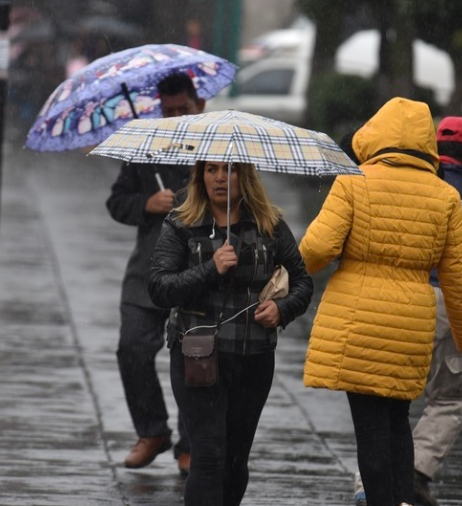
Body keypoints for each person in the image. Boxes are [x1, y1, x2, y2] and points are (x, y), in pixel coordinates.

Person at [300, 98, 462, 506]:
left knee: (369, 427)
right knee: (398, 418)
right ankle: (402, 498)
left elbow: (318, 247)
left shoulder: (353, 180)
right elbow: (458, 276)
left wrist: (289, 277)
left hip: (357, 319)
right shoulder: (445, 196)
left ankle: (381, 499)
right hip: (412, 323)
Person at [352, 116, 462, 506]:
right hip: (454, 303)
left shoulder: (414, 183)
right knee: (449, 397)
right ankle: (416, 471)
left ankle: (367, 485)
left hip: (403, 298)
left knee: (387, 396)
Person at [148, 160, 313, 506]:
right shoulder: (182, 224)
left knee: (236, 460)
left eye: (230, 170)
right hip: (198, 356)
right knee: (208, 456)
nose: (220, 178)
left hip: (252, 358)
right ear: (200, 177)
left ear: (245, 176)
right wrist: (212, 268)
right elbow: (160, 288)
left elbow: (302, 283)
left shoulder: (270, 225)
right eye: (211, 170)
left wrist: (282, 310)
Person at [105, 72, 205, 475]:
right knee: (132, 347)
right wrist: (147, 203)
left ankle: (191, 443)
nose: (177, 116)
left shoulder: (215, 146)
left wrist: (187, 202)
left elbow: (239, 201)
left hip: (198, 270)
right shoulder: (144, 146)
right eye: (169, 110)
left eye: (184, 108)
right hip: (147, 270)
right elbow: (117, 202)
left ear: (198, 104)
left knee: (195, 361)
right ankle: (152, 431)